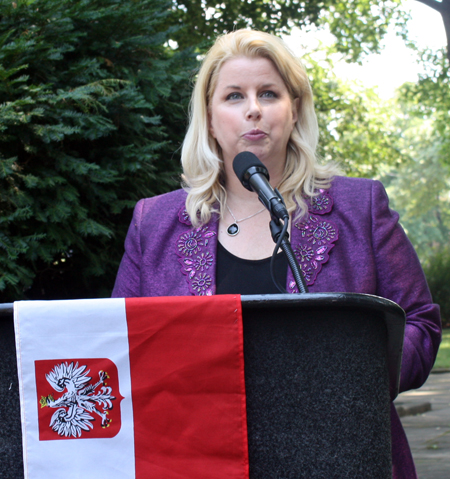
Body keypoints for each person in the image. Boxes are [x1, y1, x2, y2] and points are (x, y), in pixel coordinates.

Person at [112, 29, 441, 478]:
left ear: (294, 109)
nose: (253, 108)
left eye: (269, 93)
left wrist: (353, 377)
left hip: (340, 457)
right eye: (233, 96)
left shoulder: (359, 207)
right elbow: (117, 343)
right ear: (210, 118)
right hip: (199, 460)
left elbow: (420, 323)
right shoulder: (155, 223)